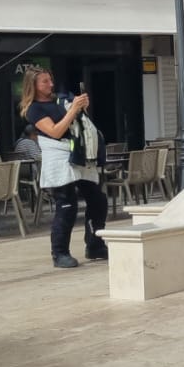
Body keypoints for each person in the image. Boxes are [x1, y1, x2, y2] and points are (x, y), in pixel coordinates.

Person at [20, 67, 107, 269]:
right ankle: (59, 253)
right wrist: (73, 110)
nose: (50, 84)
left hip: (79, 154)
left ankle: (95, 245)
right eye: (44, 82)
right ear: (33, 85)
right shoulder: (34, 109)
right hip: (58, 157)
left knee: (98, 199)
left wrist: (82, 107)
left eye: (50, 80)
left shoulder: (60, 100)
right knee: (67, 205)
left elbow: (77, 123)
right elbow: (56, 131)